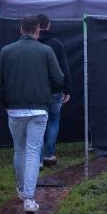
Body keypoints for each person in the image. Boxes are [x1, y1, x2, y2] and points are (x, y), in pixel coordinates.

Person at [0, 16, 63, 213]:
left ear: (21, 30)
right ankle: (29, 199)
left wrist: (5, 103)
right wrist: (47, 93)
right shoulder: (46, 50)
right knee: (32, 152)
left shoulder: (6, 51)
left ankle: (23, 191)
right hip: (39, 109)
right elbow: (58, 79)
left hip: (14, 110)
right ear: (38, 31)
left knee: (19, 150)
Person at [37, 14, 72, 167]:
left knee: (38, 124)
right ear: (49, 25)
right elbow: (64, 68)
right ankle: (49, 155)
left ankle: (37, 160)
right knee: (53, 121)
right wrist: (67, 89)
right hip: (56, 91)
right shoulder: (57, 44)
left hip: (37, 91)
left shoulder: (32, 45)